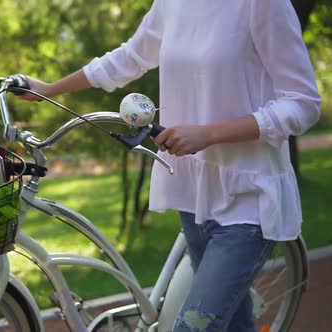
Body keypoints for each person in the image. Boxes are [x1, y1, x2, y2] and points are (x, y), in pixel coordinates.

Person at [21, 0, 321, 331]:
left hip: (249, 197)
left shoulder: (262, 5)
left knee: (192, 326)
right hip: (192, 194)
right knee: (234, 323)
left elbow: (303, 103)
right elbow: (129, 57)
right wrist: (49, 90)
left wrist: (208, 134)